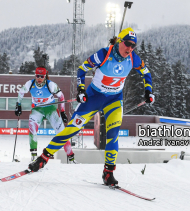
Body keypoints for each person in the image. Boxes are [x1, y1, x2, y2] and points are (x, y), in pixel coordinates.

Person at [27, 28, 154, 186]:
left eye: (133, 46)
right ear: (120, 41)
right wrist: (80, 89)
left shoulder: (133, 58)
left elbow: (146, 73)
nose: (130, 49)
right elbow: (82, 69)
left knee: (113, 135)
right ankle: (43, 158)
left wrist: (148, 91)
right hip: (94, 97)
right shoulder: (103, 54)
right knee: (72, 129)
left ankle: (108, 173)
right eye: (127, 44)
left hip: (114, 100)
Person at [15, 66, 75, 163]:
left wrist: (63, 112)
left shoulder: (51, 85)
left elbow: (61, 96)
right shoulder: (30, 84)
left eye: (42, 76)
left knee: (62, 132)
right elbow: (21, 92)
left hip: (50, 108)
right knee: (32, 129)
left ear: (45, 76)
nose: (39, 78)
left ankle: (71, 158)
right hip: (37, 109)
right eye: (37, 76)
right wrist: (18, 105)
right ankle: (34, 157)